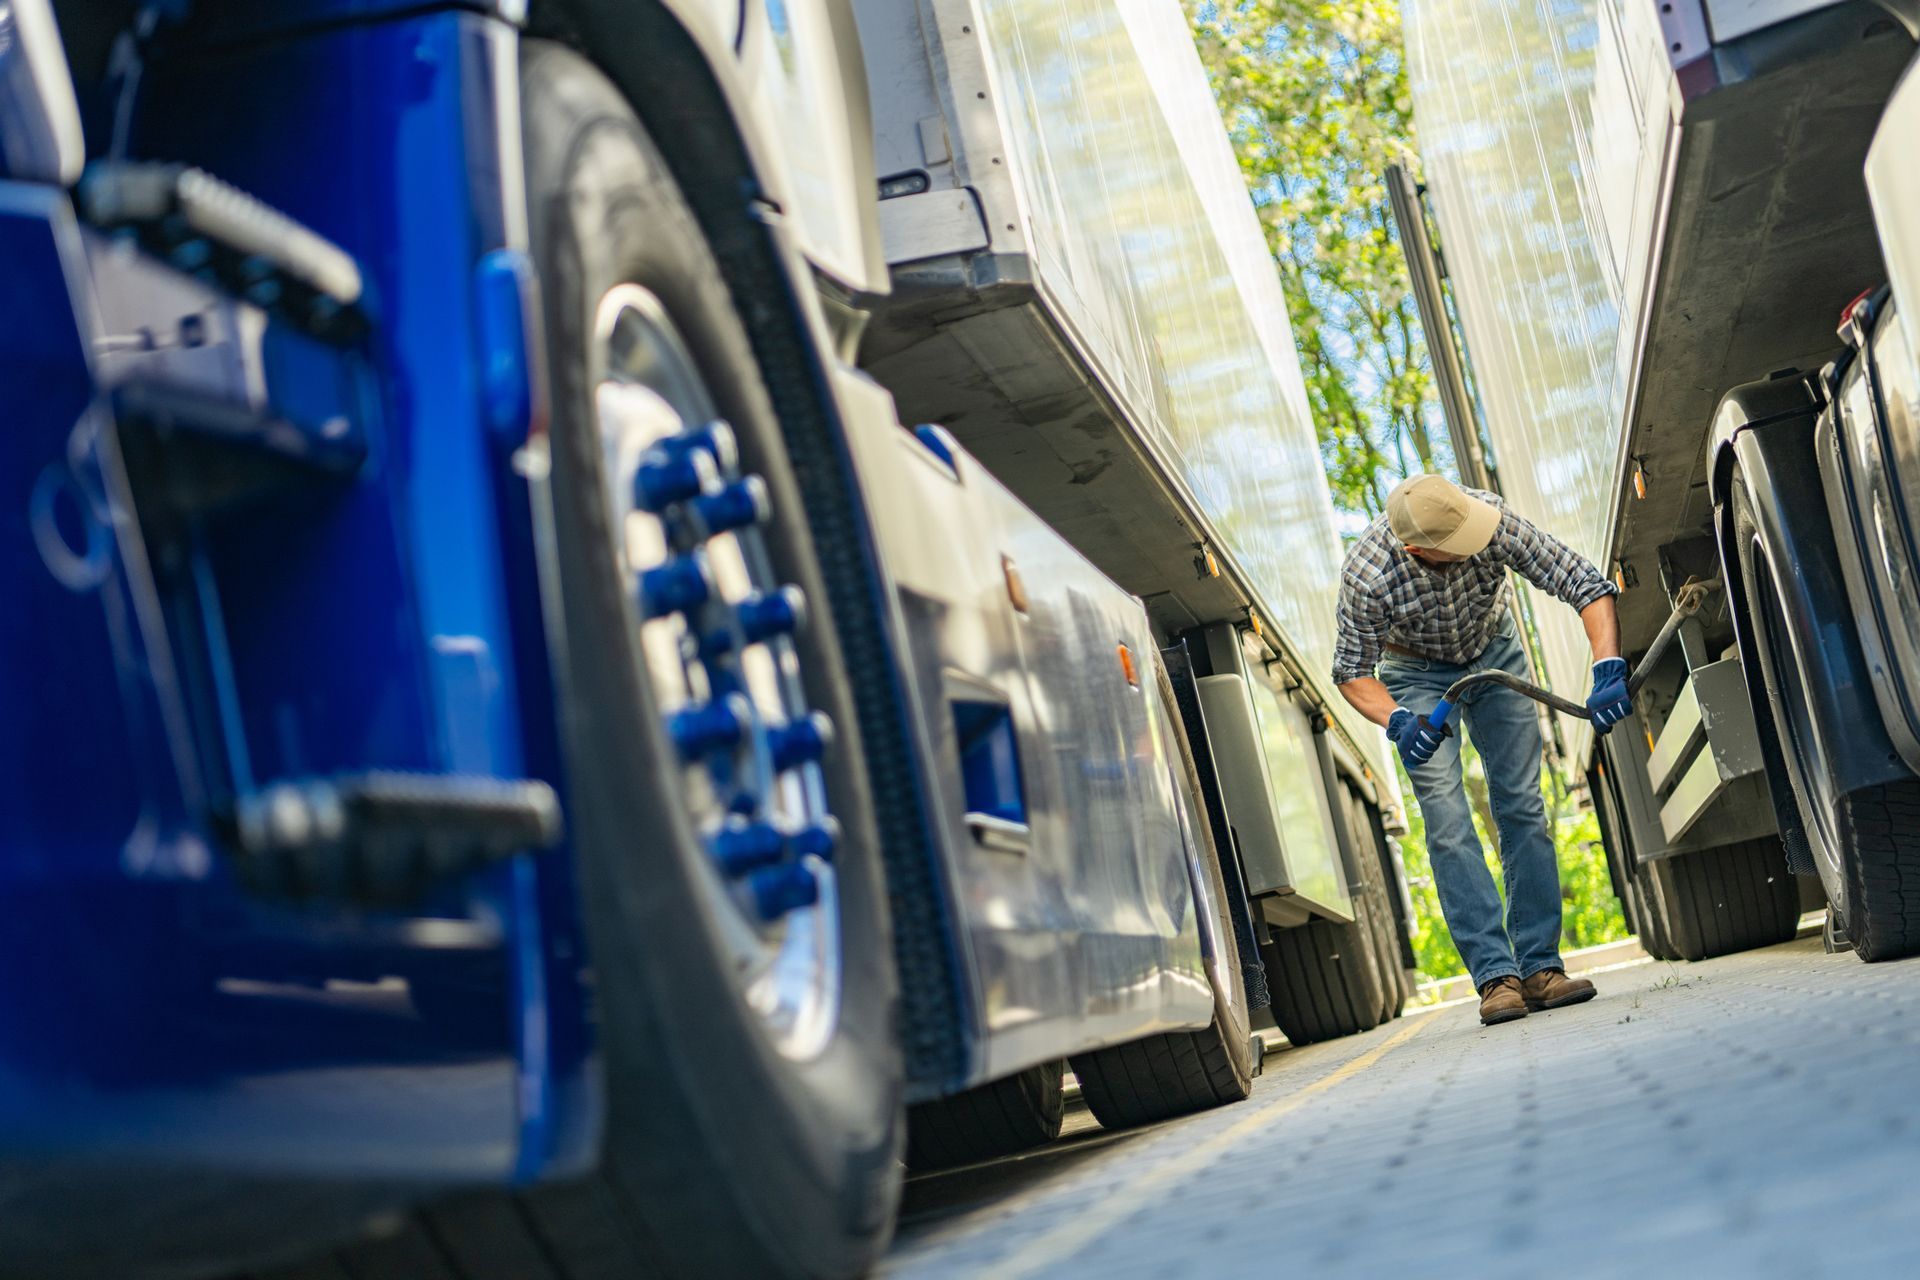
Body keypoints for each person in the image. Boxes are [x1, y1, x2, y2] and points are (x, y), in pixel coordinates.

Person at [1332, 474, 1629, 1026]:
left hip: (1495, 651)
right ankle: (1496, 976)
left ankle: (1541, 967)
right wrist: (1397, 718)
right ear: (1417, 549)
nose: (1475, 539)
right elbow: (1351, 671)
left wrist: (1607, 664)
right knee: (1446, 818)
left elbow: (1583, 583)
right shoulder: (1368, 575)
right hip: (1415, 674)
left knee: (1521, 805)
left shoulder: (1488, 518)